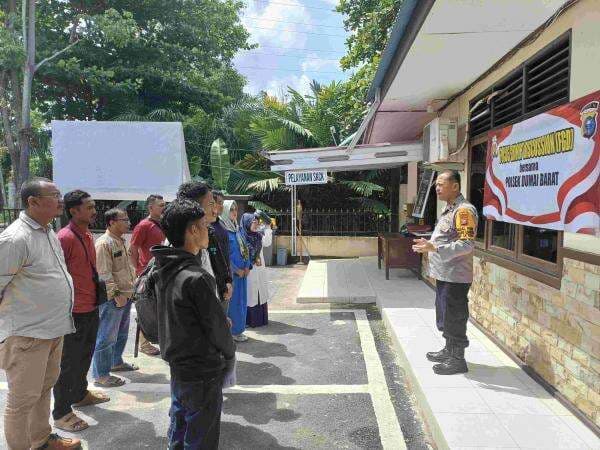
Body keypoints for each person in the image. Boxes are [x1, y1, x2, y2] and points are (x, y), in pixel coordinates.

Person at [0, 178, 81, 450]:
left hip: (52, 330)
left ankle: (42, 440)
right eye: (54, 196)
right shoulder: (15, 238)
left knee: (44, 389)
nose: (60, 200)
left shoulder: (46, 231)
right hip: (27, 334)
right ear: (33, 202)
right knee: (21, 400)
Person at [150, 199, 235, 449]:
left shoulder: (163, 266)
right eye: (204, 225)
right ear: (192, 230)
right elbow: (217, 329)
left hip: (178, 363)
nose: (208, 231)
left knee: (180, 423)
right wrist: (229, 355)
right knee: (201, 435)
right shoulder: (197, 278)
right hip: (201, 368)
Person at [53, 190, 109, 433]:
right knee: (69, 362)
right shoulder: (64, 237)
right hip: (72, 312)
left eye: (94, 206)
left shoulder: (86, 235)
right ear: (74, 210)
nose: (94, 211)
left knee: (85, 355)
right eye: (89, 207)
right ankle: (62, 412)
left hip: (90, 306)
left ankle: (79, 394)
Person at [412, 170, 478, 375]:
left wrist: (435, 249)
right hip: (445, 274)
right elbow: (445, 238)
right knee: (445, 314)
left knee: (455, 315)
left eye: (441, 184)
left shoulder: (464, 211)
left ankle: (458, 359)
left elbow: (467, 245)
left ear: (455, 186)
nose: (437, 188)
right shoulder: (449, 209)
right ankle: (449, 350)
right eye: (436, 185)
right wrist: (430, 244)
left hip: (456, 276)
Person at [92, 208, 138, 387]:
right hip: (114, 298)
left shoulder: (119, 241)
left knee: (121, 333)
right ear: (111, 222)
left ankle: (116, 362)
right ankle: (101, 375)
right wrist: (116, 295)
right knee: (106, 337)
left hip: (126, 295)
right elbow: (104, 274)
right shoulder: (104, 244)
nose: (128, 223)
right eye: (124, 220)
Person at [177, 182, 233, 308]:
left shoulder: (210, 233)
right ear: (195, 207)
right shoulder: (179, 247)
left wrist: (227, 280)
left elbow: (219, 259)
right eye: (211, 204)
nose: (215, 210)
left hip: (218, 296)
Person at [130, 194, 165, 356]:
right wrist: (137, 271)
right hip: (148, 274)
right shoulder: (143, 225)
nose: (163, 207)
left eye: (164, 204)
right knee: (146, 309)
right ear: (150, 207)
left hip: (162, 272)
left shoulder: (164, 223)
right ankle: (144, 344)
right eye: (160, 205)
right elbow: (133, 249)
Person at [220, 201, 252, 342]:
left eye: (236, 209)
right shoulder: (224, 231)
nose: (234, 212)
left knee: (241, 301)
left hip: (243, 274)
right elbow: (224, 256)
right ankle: (231, 332)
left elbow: (245, 249)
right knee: (232, 304)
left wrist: (247, 266)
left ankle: (239, 330)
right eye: (231, 209)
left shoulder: (237, 229)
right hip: (233, 275)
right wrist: (236, 270)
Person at [245, 213, 272, 328]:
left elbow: (267, 242)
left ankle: (261, 320)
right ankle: (249, 321)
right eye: (253, 222)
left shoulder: (258, 236)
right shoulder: (242, 237)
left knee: (260, 292)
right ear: (247, 223)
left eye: (257, 222)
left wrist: (268, 227)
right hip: (249, 270)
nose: (256, 225)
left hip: (259, 269)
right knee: (251, 294)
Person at [212, 190, 233, 312]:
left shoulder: (221, 223)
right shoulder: (206, 227)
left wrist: (228, 280)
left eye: (222, 203)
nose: (221, 206)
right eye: (219, 202)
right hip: (215, 278)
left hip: (226, 275)